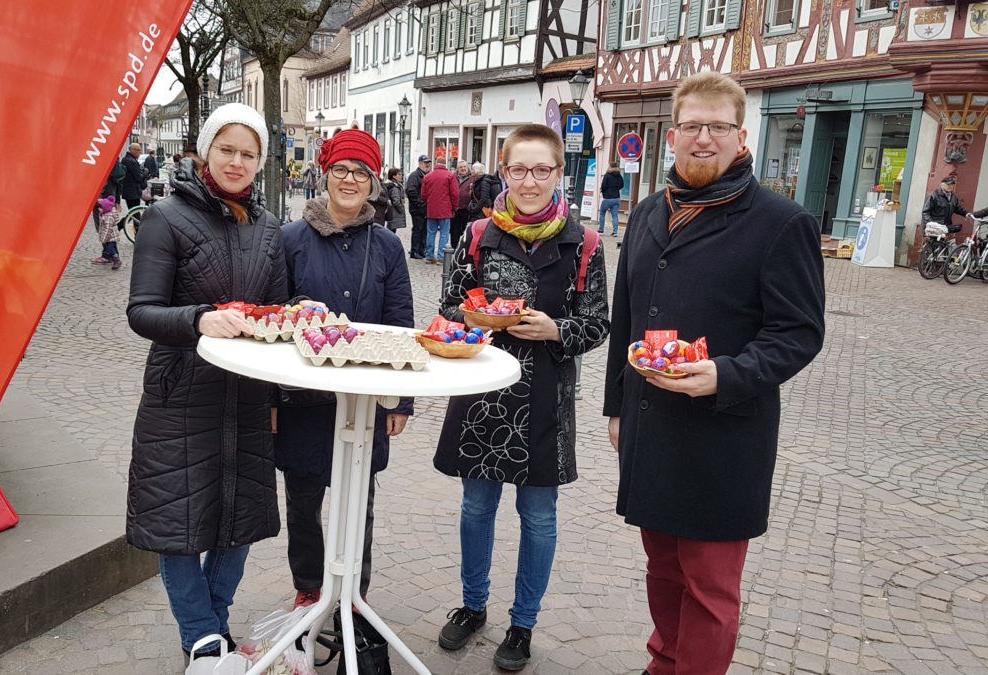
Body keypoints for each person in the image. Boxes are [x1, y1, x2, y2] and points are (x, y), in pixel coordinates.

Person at [603, 71, 826, 675]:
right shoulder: (650, 212)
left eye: (719, 128)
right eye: (693, 126)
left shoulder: (780, 223)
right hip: (653, 426)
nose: (705, 139)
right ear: (672, 136)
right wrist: (617, 407)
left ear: (741, 138)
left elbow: (799, 333)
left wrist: (725, 374)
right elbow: (626, 316)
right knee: (662, 569)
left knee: (709, 588)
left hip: (725, 434)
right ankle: (664, 660)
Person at [434, 123, 610, 671]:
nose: (529, 181)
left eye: (542, 170)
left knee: (538, 517)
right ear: (503, 172)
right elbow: (449, 304)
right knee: (475, 508)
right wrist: (482, 318)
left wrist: (556, 330)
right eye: (518, 169)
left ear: (559, 173)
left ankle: (523, 623)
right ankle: (472, 606)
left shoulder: (584, 244)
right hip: (482, 392)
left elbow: (598, 323)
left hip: (546, 400)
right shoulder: (478, 235)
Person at [125, 103, 287, 669]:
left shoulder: (269, 229)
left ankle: (212, 635)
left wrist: (300, 314)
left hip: (246, 394)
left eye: (249, 153)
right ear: (205, 151)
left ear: (261, 161)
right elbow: (141, 312)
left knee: (237, 519)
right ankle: (202, 637)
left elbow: (277, 310)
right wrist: (198, 318)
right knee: (177, 523)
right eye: (227, 149)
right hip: (180, 393)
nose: (237, 162)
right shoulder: (165, 218)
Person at [276, 129, 415, 610]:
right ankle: (309, 587)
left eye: (361, 172)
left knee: (361, 502)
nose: (350, 179)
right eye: (341, 170)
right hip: (304, 399)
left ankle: (355, 590)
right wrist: (272, 399)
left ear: (373, 182)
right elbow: (274, 319)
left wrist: (402, 401)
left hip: (364, 400)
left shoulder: (387, 246)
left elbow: (402, 327)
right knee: (303, 500)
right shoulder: (291, 238)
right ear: (325, 173)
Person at [421, 158, 459, 264]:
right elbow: (455, 193)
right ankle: (441, 257)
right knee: (444, 233)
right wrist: (455, 207)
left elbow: (423, 195)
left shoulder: (427, 177)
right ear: (445, 164)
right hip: (445, 209)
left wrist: (429, 202)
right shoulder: (450, 176)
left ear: (435, 163)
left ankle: (429, 256)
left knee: (431, 233)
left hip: (431, 209)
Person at [921, 175, 988, 233]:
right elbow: (925, 212)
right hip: (934, 226)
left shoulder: (953, 196)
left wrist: (967, 214)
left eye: (952, 184)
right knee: (933, 245)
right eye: (948, 184)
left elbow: (958, 208)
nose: (950, 186)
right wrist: (930, 223)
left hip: (945, 226)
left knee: (944, 245)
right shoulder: (933, 196)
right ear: (941, 184)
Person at [405, 154, 432, 259]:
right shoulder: (415, 176)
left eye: (428, 163)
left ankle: (421, 250)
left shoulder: (427, 175)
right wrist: (420, 203)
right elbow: (411, 191)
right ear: (420, 163)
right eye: (426, 163)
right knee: (417, 230)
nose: (428, 165)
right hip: (417, 209)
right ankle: (414, 251)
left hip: (425, 209)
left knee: (424, 231)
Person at [90, 195, 123, 270]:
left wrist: (104, 239)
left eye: (100, 208)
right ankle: (115, 258)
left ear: (105, 208)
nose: (98, 209)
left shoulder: (108, 217)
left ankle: (116, 260)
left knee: (110, 249)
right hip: (112, 236)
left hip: (110, 237)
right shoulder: (106, 214)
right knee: (114, 247)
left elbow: (107, 229)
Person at [451, 160, 477, 247]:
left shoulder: (473, 178)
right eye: (461, 167)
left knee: (466, 230)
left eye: (464, 166)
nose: (463, 168)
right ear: (457, 169)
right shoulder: (453, 177)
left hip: (467, 208)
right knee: (454, 230)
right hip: (455, 208)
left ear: (467, 167)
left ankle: (464, 248)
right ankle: (454, 248)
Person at [598, 161, 624, 236]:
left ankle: (601, 230)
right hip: (616, 198)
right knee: (615, 215)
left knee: (602, 213)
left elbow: (603, 186)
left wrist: (603, 192)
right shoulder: (619, 175)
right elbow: (622, 185)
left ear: (610, 166)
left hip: (607, 198)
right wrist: (616, 189)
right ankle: (615, 232)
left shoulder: (607, 175)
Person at [120, 142, 146, 210]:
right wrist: (146, 173)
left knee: (132, 212)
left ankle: (125, 221)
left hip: (128, 191)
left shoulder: (125, 159)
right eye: (139, 150)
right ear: (133, 150)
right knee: (135, 212)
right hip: (133, 192)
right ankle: (123, 221)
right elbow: (138, 178)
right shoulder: (132, 162)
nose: (140, 153)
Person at [384, 168, 408, 232]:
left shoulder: (395, 185)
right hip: (393, 212)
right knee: (391, 230)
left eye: (401, 174)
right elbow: (396, 201)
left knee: (391, 229)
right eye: (399, 174)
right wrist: (401, 209)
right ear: (394, 176)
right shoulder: (394, 187)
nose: (401, 176)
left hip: (391, 212)